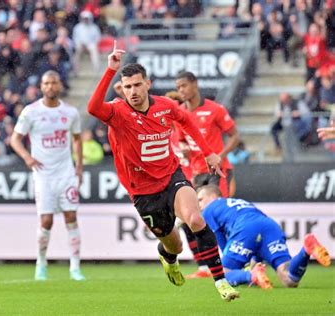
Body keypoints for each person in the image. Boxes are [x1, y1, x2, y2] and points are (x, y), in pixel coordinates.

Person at [87, 42, 240, 301]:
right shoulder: (118, 112)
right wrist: (110, 70)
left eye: (137, 85)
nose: (133, 91)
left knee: (195, 219)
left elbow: (187, 120)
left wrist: (208, 152)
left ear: (148, 83)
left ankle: (221, 282)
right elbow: (92, 108)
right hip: (143, 192)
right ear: (121, 89)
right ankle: (168, 256)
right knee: (175, 245)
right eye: (127, 87)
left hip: (172, 177)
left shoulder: (165, 106)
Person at [10, 70, 85, 281]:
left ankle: (75, 267)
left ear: (60, 85)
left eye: (54, 83)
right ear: (41, 87)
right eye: (46, 83)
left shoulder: (70, 112)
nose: (50, 86)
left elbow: (77, 139)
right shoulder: (31, 111)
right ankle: (41, 264)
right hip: (43, 175)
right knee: (46, 221)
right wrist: (27, 157)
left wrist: (79, 167)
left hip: (66, 173)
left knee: (71, 217)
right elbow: (15, 139)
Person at [196, 184, 331, 289]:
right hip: (269, 226)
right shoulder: (238, 203)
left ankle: (252, 276)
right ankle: (306, 250)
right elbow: (255, 241)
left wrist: (234, 263)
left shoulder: (209, 209)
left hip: (246, 229)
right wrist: (253, 260)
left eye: (200, 200)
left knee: (223, 274)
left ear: (213, 196)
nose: (199, 205)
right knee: (289, 279)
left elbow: (220, 239)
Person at [175, 71, 240, 279]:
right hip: (196, 173)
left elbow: (234, 136)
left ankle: (236, 262)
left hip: (218, 172)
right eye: (178, 87)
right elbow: (181, 140)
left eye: (184, 85)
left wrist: (220, 155)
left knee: (220, 216)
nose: (181, 91)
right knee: (187, 219)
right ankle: (203, 267)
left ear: (195, 84)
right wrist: (183, 149)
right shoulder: (179, 113)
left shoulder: (215, 109)